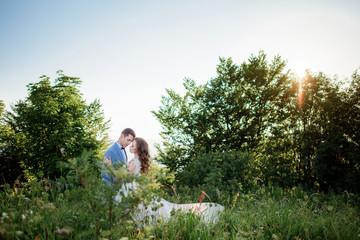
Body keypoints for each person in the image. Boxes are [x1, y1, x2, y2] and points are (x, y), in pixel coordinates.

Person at [105, 137, 224, 225]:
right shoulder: (134, 160)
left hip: (131, 189)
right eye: (130, 144)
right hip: (131, 188)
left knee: (142, 211)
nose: (130, 146)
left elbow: (122, 177)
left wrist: (110, 167)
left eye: (133, 145)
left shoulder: (135, 162)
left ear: (138, 148)